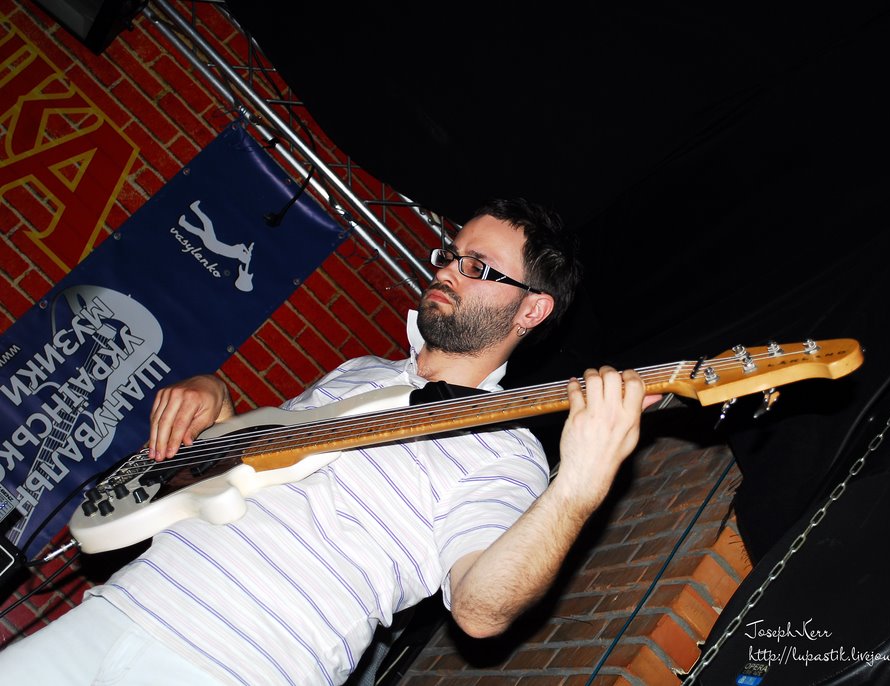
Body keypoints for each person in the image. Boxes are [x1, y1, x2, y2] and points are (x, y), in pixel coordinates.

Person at [0, 198, 659, 685]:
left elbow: (481, 610)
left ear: (532, 308)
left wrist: (579, 484)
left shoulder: (503, 448)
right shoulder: (360, 372)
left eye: (477, 266)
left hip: (240, 666)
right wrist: (214, 402)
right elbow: (223, 479)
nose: (447, 271)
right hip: (119, 607)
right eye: (449, 254)